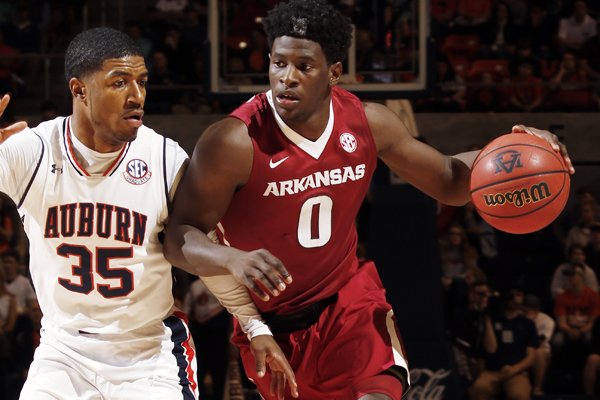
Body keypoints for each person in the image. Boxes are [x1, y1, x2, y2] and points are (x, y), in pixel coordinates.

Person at [163, 1, 574, 399]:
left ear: (334, 72)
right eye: (277, 62)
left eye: (304, 66)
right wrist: (231, 257)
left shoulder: (367, 122)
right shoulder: (233, 141)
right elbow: (179, 237)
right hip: (271, 324)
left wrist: (517, 152)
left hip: (349, 302)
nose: (286, 77)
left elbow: (450, 179)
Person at [0, 27, 296, 399]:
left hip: (146, 351)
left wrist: (255, 327)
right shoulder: (33, 152)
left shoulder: (165, 158)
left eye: (141, 82)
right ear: (79, 90)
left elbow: (205, 252)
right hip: (64, 351)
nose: (136, 96)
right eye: (119, 83)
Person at [468, 289, 539, 400]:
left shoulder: (527, 323)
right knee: (479, 389)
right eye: (511, 295)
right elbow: (491, 349)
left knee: (519, 395)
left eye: (518, 295)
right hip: (492, 371)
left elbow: (531, 357)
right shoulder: (493, 319)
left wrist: (514, 369)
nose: (514, 298)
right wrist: (487, 318)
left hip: (517, 372)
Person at [522, 294, 556, 397]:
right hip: (521, 350)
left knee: (539, 353)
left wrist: (529, 323)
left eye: (530, 309)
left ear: (536, 309)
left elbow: (540, 342)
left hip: (541, 351)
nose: (526, 312)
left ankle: (537, 387)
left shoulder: (547, 320)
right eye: (525, 309)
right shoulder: (518, 318)